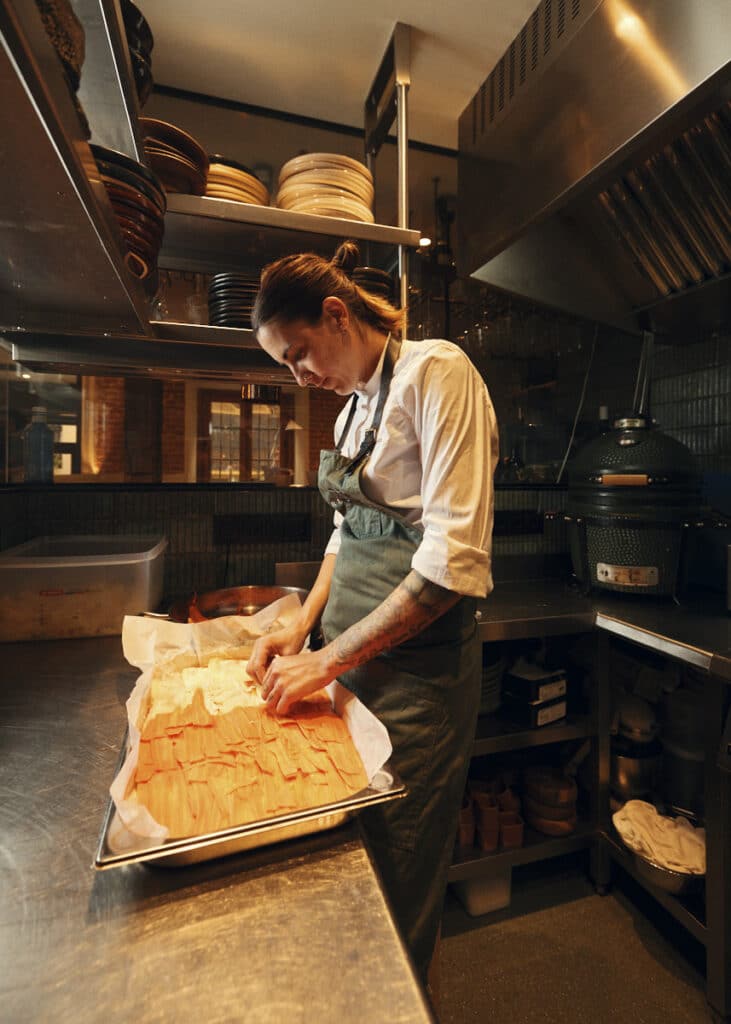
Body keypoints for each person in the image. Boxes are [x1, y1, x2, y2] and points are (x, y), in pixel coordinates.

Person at [247, 240, 498, 985]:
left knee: (399, 861)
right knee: (354, 861)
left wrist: (325, 658)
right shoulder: (354, 412)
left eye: (298, 356)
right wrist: (303, 621)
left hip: (417, 679)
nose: (299, 377)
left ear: (335, 314)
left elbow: (452, 562)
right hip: (355, 663)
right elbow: (345, 531)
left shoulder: (437, 373)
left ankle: (403, 997)